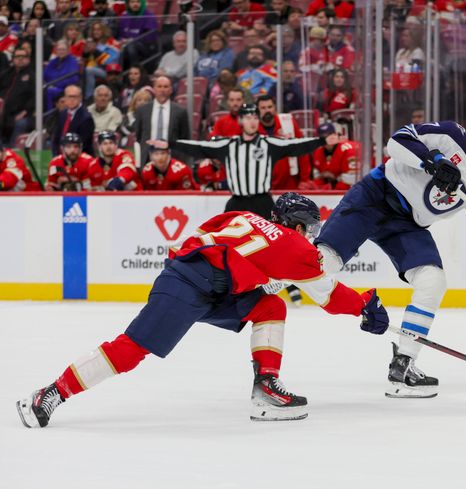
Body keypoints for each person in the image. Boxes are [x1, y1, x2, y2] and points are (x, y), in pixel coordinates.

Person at [16, 192, 390, 427]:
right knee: (132, 349)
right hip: (189, 285)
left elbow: (213, 242)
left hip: (205, 281)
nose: (311, 235)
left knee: (271, 304)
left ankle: (265, 388)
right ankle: (51, 393)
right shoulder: (296, 248)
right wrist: (363, 305)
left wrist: (255, 278)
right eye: (309, 228)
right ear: (296, 225)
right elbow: (327, 294)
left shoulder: (242, 217)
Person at [314, 119, 466, 399]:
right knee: (323, 262)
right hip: (374, 197)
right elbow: (397, 140)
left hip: (407, 225)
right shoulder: (452, 135)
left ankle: (403, 366)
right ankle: (266, 278)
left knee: (433, 280)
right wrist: (432, 161)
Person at [175, 104, 325, 216]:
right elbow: (199, 147)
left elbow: (297, 145)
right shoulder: (229, 144)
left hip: (263, 201)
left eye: (255, 117)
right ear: (240, 120)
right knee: (227, 241)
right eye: (248, 118)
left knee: (271, 243)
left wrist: (322, 141)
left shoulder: (269, 143)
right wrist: (170, 144)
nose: (252, 121)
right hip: (237, 201)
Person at [257, 94, 313, 190]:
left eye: (270, 107)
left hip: (290, 181)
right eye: (263, 108)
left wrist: (304, 180)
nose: (267, 110)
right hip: (262, 185)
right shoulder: (252, 128)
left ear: (275, 108)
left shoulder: (288, 122)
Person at [134, 76, 190, 160]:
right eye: (159, 86)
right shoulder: (142, 110)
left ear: (171, 90)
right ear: (154, 89)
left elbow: (184, 138)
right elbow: (139, 136)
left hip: (172, 158)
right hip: (147, 158)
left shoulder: (180, 111)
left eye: (165, 86)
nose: (162, 90)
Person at [0, 47, 35, 146]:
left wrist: (25, 112)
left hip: (22, 113)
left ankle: (13, 151)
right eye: (17, 56)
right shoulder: (6, 74)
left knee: (21, 124)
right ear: (13, 59)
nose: (20, 59)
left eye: (23, 56)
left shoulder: (33, 76)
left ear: (28, 59)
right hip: (3, 111)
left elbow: (35, 97)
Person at [309, 122, 359, 190]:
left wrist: (334, 178)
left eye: (329, 135)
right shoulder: (318, 151)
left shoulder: (350, 150)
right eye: (323, 137)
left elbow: (352, 180)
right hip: (334, 188)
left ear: (336, 135)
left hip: (352, 190)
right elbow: (317, 178)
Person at [51, 84, 95, 157]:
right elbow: (56, 138)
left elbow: (83, 144)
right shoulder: (62, 114)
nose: (71, 100)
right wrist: (56, 156)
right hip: (62, 157)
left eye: (74, 97)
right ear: (65, 98)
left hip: (79, 158)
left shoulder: (86, 118)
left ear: (80, 98)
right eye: (69, 97)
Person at [44, 40, 81, 110]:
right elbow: (46, 75)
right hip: (52, 86)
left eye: (63, 49)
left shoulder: (72, 61)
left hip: (66, 88)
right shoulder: (53, 61)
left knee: (49, 91)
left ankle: (49, 115)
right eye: (59, 49)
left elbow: (73, 79)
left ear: (68, 50)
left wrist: (55, 83)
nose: (61, 51)